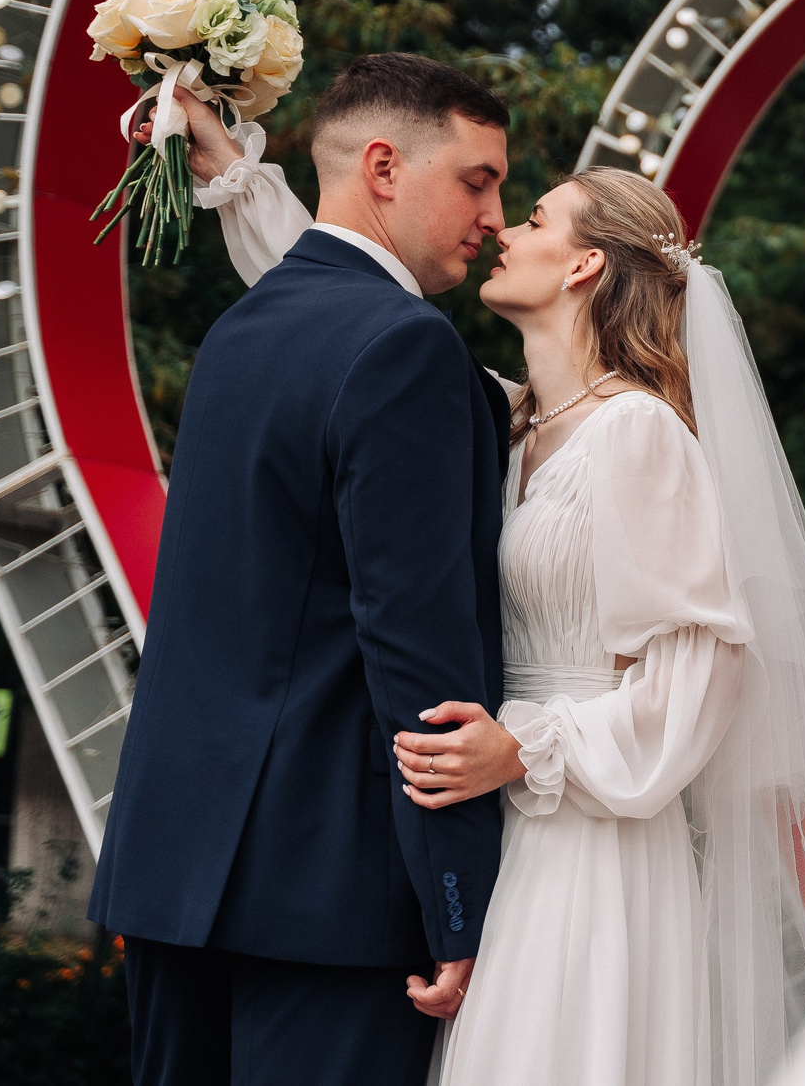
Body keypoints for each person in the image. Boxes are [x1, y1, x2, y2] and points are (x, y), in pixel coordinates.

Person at [158, 82, 805, 1086]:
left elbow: (700, 677)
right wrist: (231, 174)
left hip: (592, 845)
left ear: (582, 263)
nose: (500, 226)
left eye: (532, 216)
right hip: (502, 833)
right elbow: (343, 300)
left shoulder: (641, 437)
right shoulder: (507, 419)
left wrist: (524, 746)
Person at [90, 53, 515, 1086]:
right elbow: (416, 645)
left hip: (177, 866)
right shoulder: (406, 347)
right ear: (383, 167)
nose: (496, 216)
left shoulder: (239, 333)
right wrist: (458, 899)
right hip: (329, 888)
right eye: (478, 179)